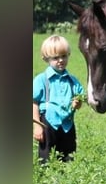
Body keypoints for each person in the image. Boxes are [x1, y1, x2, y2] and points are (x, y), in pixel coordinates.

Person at [32, 35, 85, 163]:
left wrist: (77, 103)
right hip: (47, 123)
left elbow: (79, 103)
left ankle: (66, 180)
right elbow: (34, 103)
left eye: (64, 56)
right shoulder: (41, 80)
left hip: (67, 123)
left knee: (68, 156)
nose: (61, 60)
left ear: (68, 55)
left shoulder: (73, 81)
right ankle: (46, 179)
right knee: (45, 158)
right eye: (56, 58)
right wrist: (37, 125)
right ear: (46, 58)